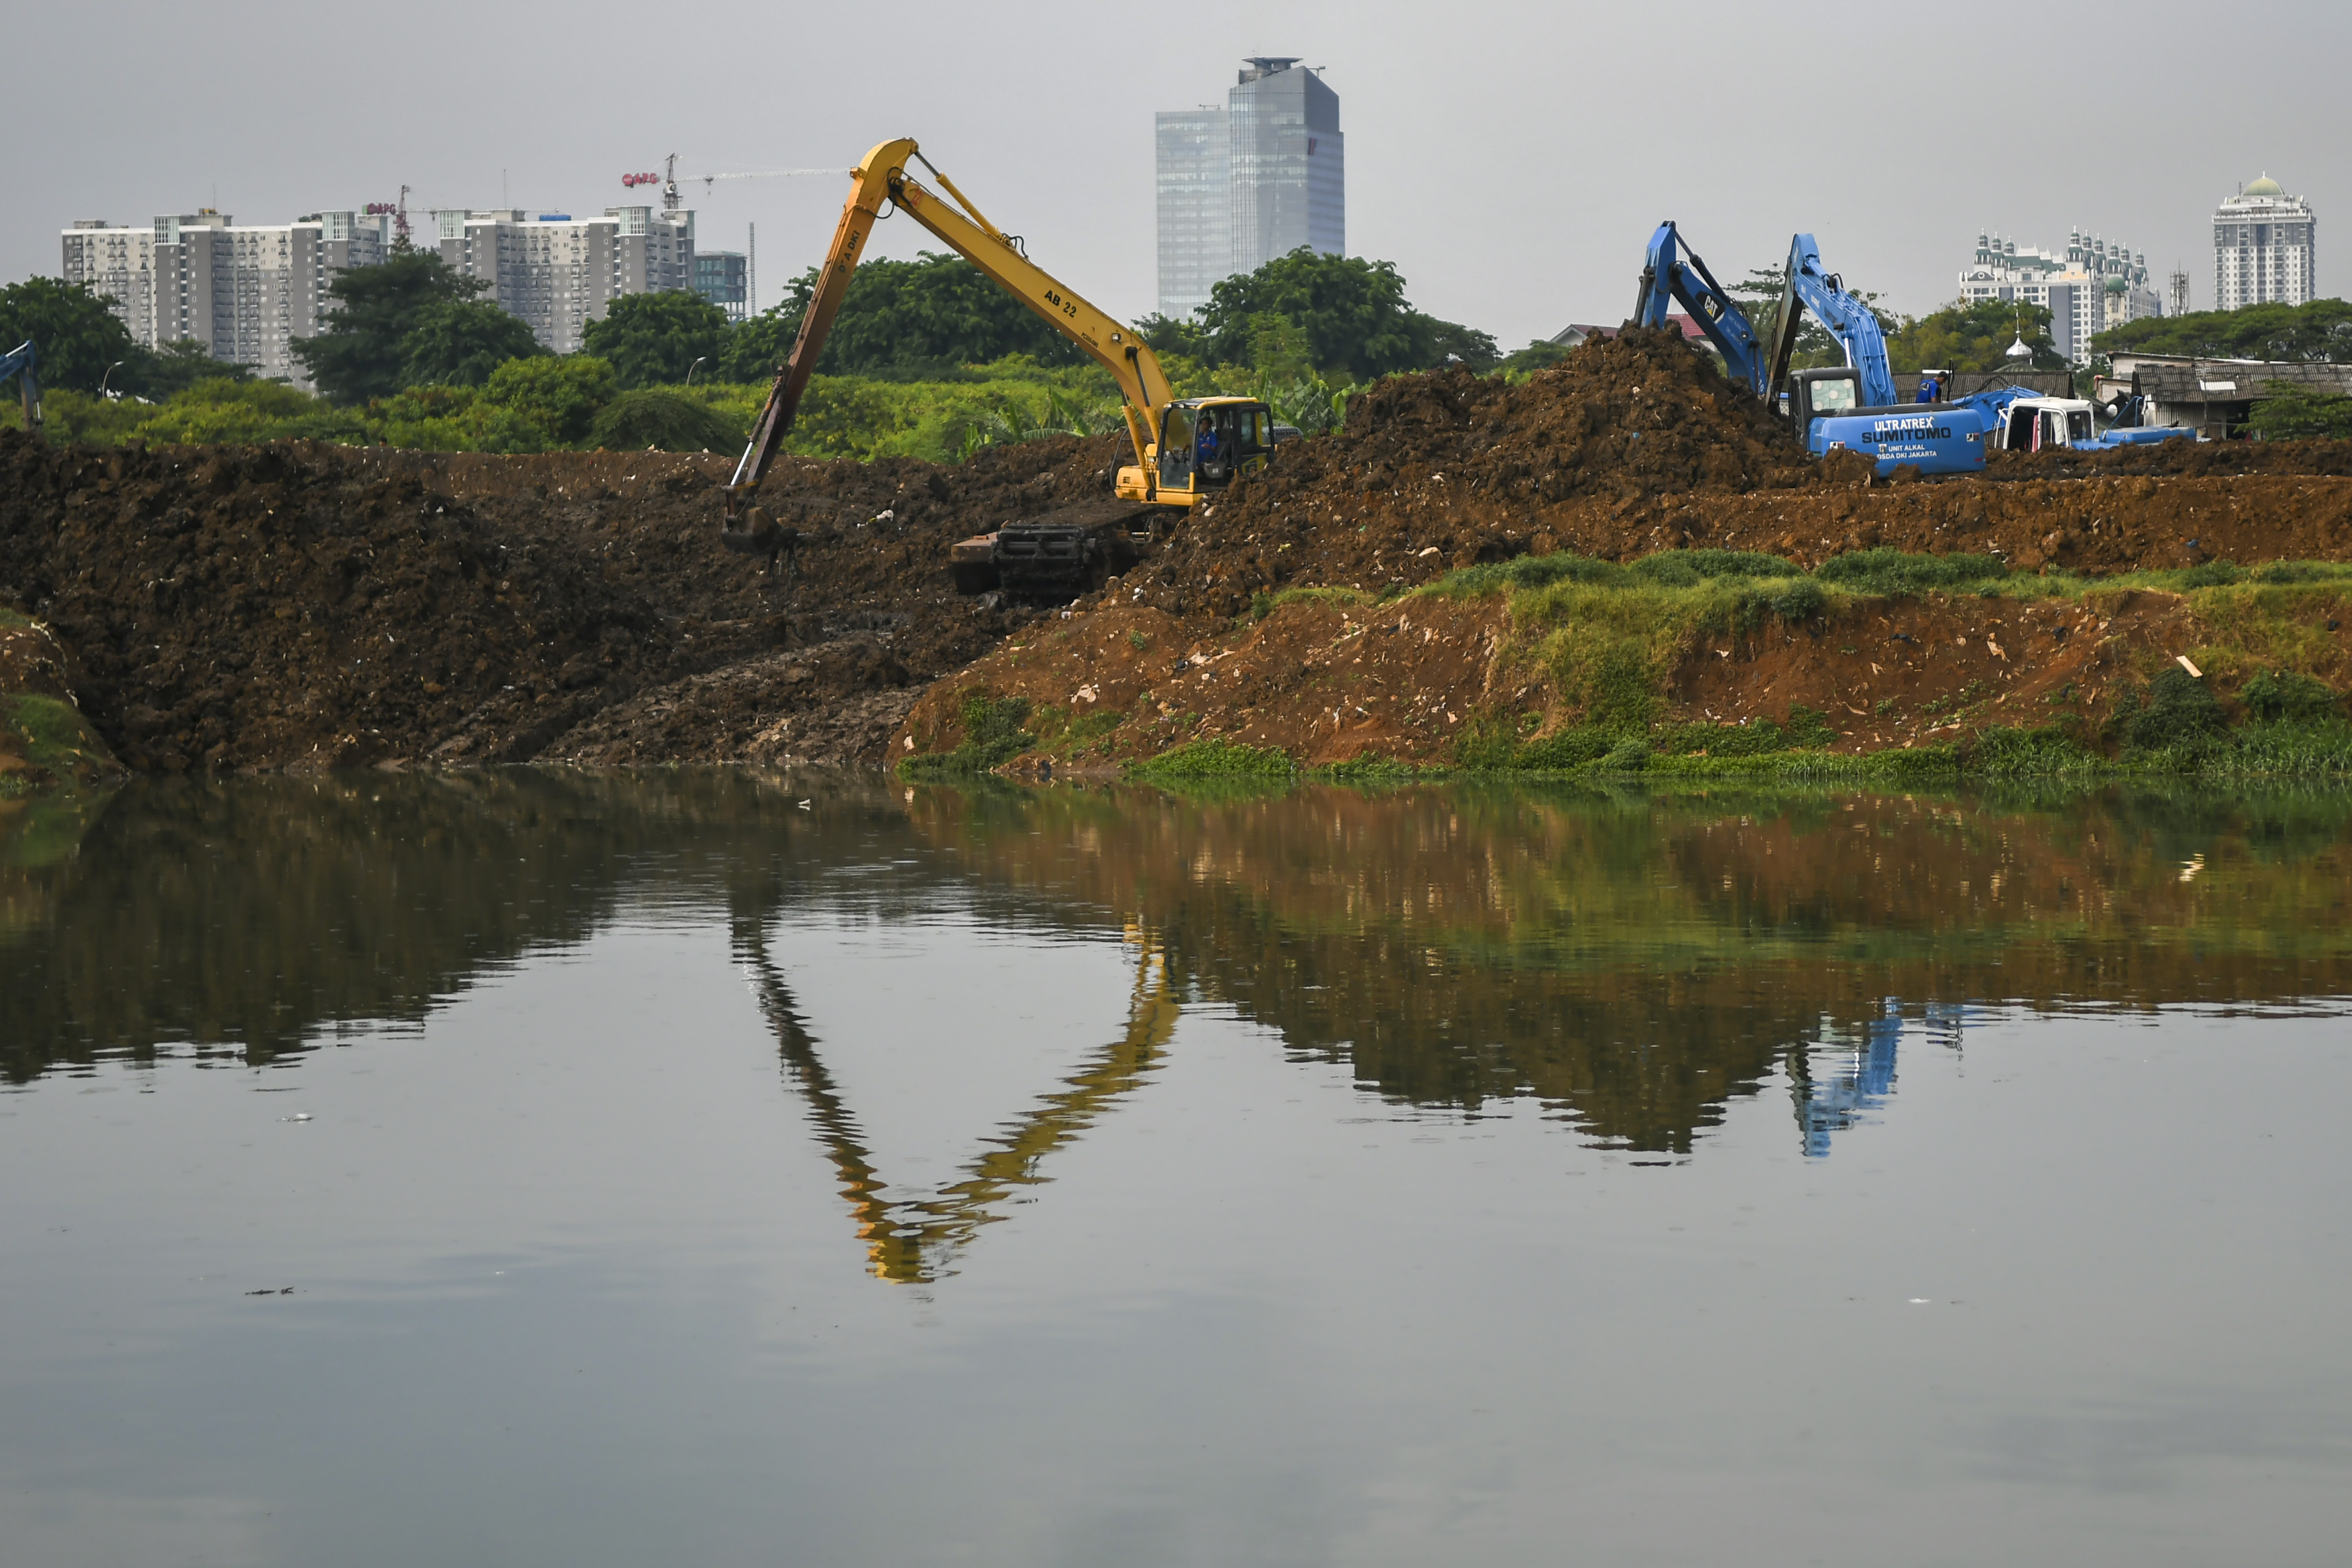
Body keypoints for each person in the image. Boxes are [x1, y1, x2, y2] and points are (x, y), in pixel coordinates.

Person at [1195, 410, 1224, 479]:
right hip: (1199, 455)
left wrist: (1208, 446)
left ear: (1209, 425)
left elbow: (1214, 449)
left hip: (1209, 457)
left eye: (1205, 424)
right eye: (1202, 424)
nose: (1203, 426)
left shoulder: (1212, 436)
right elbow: (1197, 446)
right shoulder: (1200, 435)